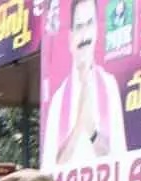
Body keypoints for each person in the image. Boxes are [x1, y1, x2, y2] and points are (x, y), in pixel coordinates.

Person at [41, 0, 126, 167]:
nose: (85, 36)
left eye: (89, 24)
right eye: (79, 27)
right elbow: (49, 170)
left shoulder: (109, 86)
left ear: (97, 30)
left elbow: (121, 161)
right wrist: (79, 126)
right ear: (71, 36)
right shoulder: (58, 100)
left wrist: (92, 131)